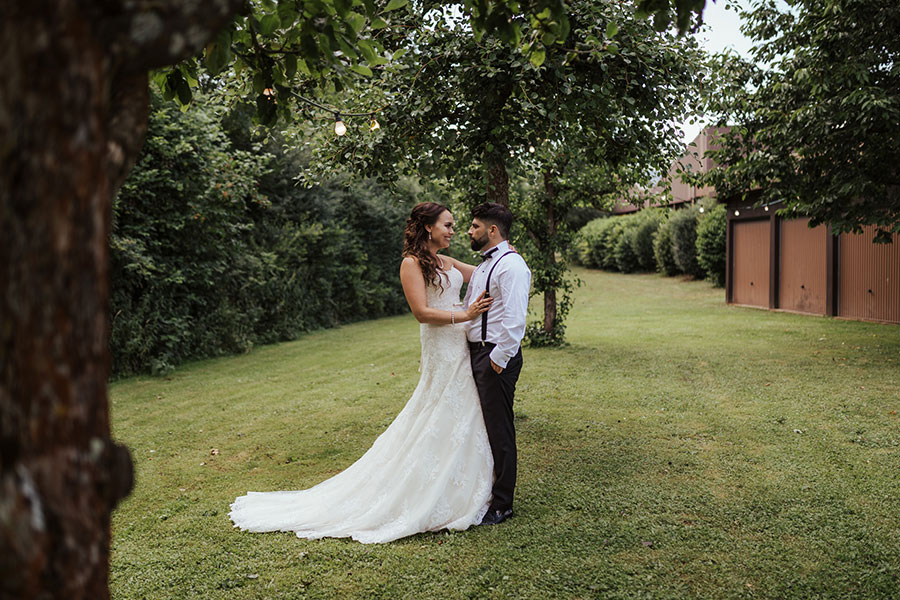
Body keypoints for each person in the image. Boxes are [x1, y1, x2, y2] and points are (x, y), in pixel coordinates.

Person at [229, 202, 496, 543]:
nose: (453, 230)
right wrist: (467, 314)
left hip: (459, 343)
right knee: (440, 404)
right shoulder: (411, 264)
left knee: (463, 409)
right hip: (441, 343)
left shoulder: (448, 262)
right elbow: (422, 313)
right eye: (447, 224)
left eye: (455, 225)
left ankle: (463, 481)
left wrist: (502, 254)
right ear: (429, 227)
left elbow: (485, 274)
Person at [463, 203, 531, 526]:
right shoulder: (483, 267)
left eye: (475, 226)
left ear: (492, 231)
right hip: (478, 354)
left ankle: (503, 504)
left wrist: (497, 360)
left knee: (500, 429)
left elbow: (516, 321)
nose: (469, 231)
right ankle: (485, 491)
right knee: (483, 427)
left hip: (494, 358)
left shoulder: (511, 266)